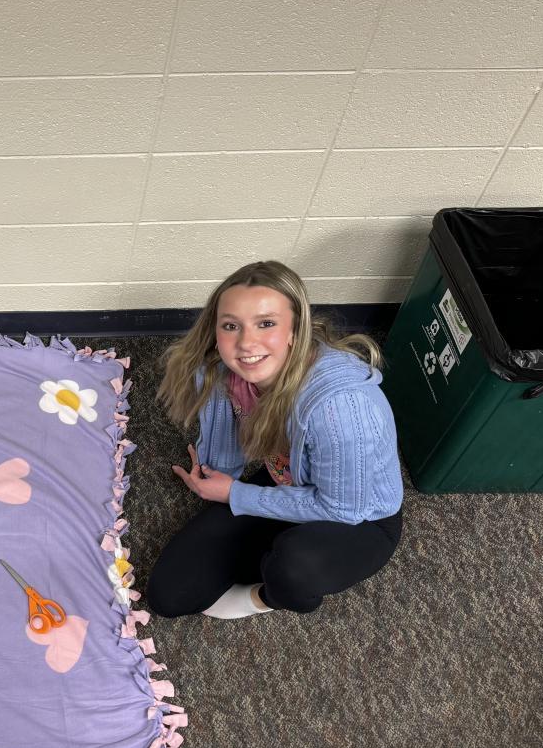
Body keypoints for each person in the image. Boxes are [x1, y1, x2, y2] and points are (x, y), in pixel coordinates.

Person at [146, 261, 403, 620]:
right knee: (169, 595)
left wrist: (236, 495)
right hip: (288, 480)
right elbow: (227, 439)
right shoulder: (229, 370)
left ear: (295, 331)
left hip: (358, 518)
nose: (246, 343)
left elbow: (342, 509)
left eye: (266, 323)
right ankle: (274, 555)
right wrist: (213, 473)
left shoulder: (340, 407)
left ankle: (265, 596)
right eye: (231, 326)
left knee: (293, 569)